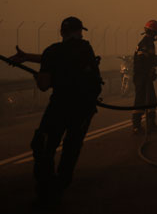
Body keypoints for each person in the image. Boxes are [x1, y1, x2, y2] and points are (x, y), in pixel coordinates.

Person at [14, 17, 103, 202]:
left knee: (43, 144)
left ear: (62, 32)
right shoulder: (86, 49)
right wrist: (29, 57)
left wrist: (39, 76)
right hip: (83, 108)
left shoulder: (52, 51)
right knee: (71, 147)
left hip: (60, 106)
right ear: (79, 32)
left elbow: (44, 85)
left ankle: (46, 186)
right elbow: (64, 58)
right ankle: (61, 184)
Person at [132, 19, 157, 134]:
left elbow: (151, 59)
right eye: (156, 32)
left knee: (151, 100)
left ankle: (150, 125)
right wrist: (148, 73)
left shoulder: (148, 42)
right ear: (153, 32)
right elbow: (142, 62)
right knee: (140, 101)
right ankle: (137, 126)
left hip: (144, 77)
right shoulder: (146, 43)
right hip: (142, 77)